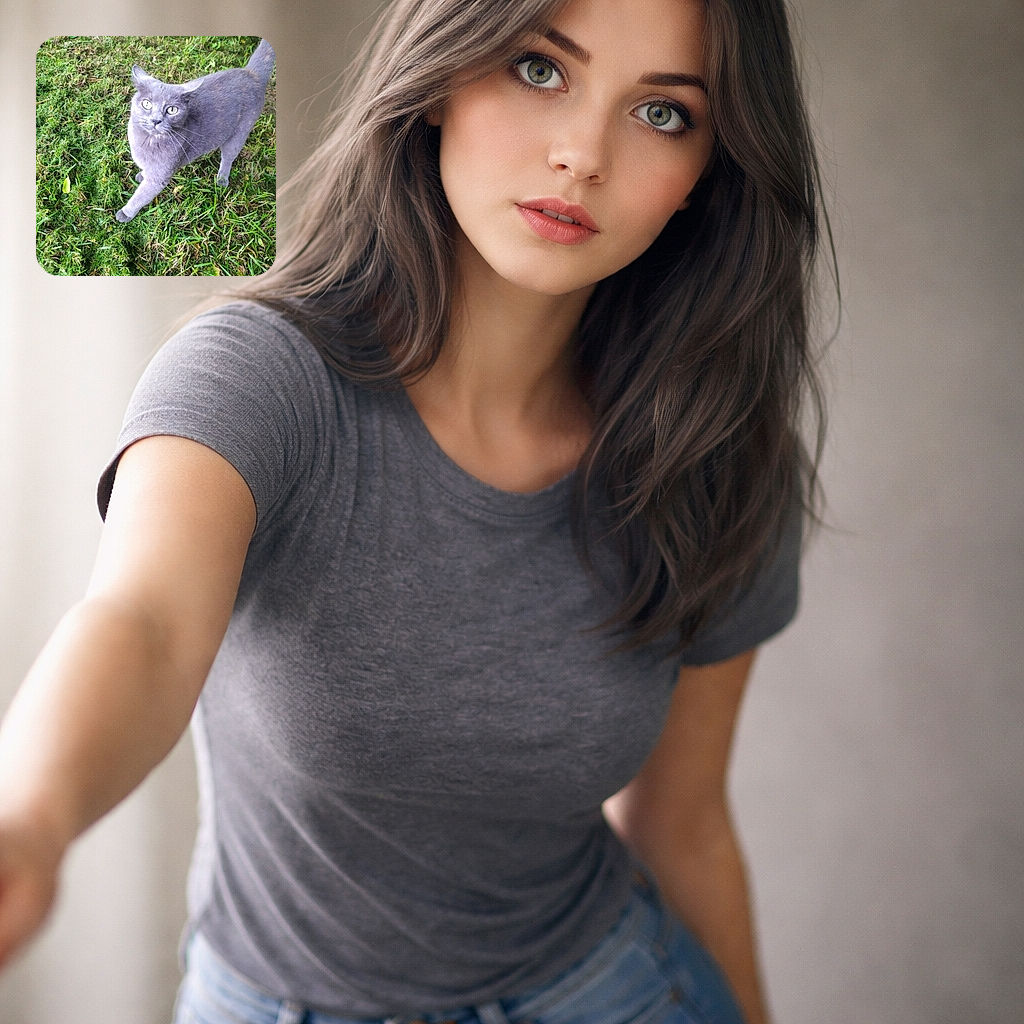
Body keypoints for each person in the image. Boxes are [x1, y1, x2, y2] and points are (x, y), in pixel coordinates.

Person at [0, 0, 829, 1021]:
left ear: (707, 174)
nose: (581, 154)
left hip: (617, 991)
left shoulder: (714, 453)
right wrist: (26, 820)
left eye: (662, 113)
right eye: (538, 68)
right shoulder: (258, 379)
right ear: (439, 75)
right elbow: (146, 623)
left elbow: (683, 818)